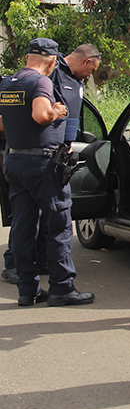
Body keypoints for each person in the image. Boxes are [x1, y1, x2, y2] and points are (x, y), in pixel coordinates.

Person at [0, 38, 95, 306]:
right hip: (41, 164)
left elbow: (3, 121)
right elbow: (41, 116)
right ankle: (62, 288)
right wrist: (56, 110)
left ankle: (27, 290)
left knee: (23, 227)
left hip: (15, 160)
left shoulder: (9, 82)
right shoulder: (41, 82)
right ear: (53, 61)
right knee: (59, 226)